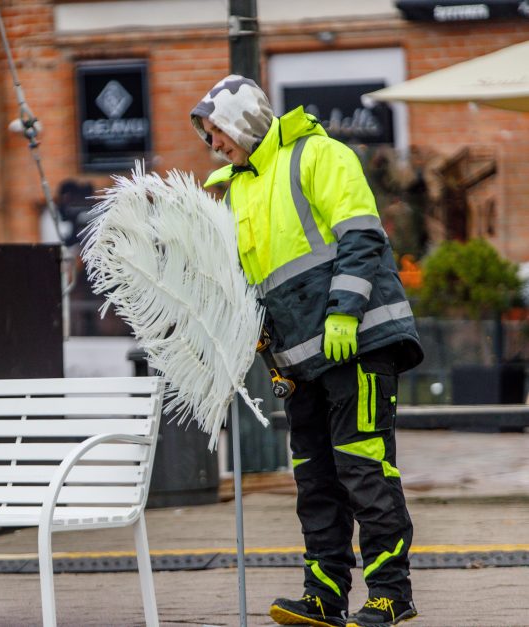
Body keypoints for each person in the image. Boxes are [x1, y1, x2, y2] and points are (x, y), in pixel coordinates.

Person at [190, 75, 424, 627]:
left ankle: (392, 595)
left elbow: (362, 236)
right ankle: (324, 597)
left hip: (359, 343)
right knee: (316, 481)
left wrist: (344, 311)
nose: (214, 144)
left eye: (218, 131)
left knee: (364, 470)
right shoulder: (238, 187)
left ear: (245, 119)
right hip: (301, 362)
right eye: (208, 136)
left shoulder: (319, 155)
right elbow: (254, 279)